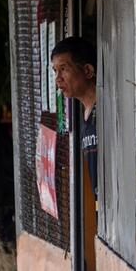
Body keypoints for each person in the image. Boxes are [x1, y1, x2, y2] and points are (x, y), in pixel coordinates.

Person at [51, 37, 98, 199]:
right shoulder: (85, 116)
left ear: (87, 71)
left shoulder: (106, 111)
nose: (58, 78)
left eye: (63, 69)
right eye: (55, 71)